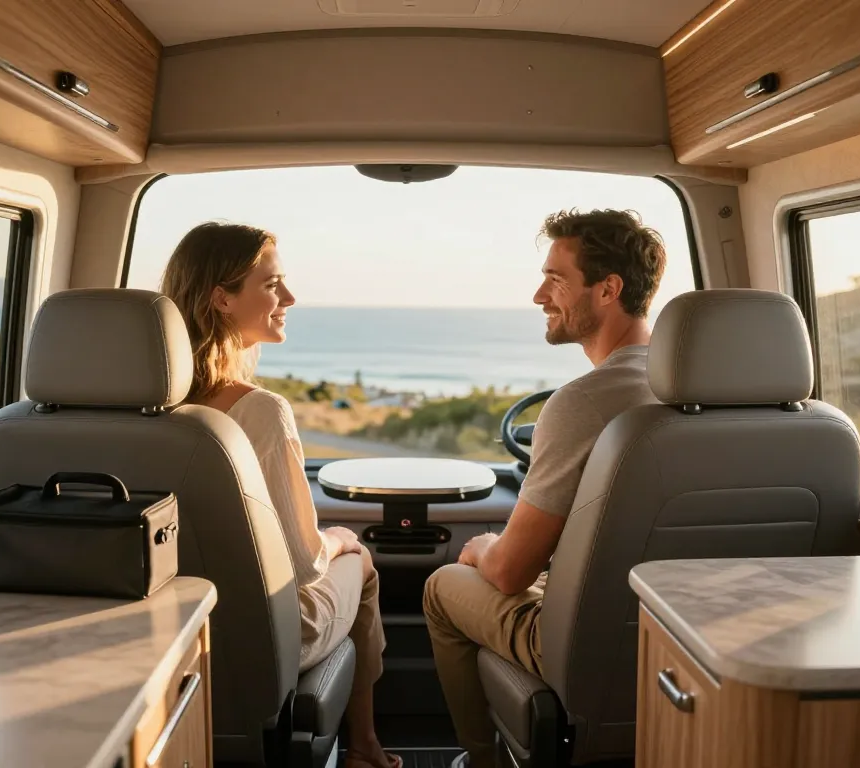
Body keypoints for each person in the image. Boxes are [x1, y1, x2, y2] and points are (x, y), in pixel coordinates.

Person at [423, 209, 667, 768]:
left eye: (556, 279)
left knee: (445, 584)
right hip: (693, 639)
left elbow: (510, 573)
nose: (539, 295)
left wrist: (482, 547)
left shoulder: (583, 401)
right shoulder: (715, 398)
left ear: (609, 289)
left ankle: (482, 761)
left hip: (596, 645)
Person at [161, 222, 400, 768]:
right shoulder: (259, 411)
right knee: (359, 560)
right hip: (258, 632)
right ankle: (365, 747)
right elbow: (302, 560)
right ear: (221, 297)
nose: (289, 298)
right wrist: (338, 540)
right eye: (272, 285)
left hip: (168, 627)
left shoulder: (136, 412)